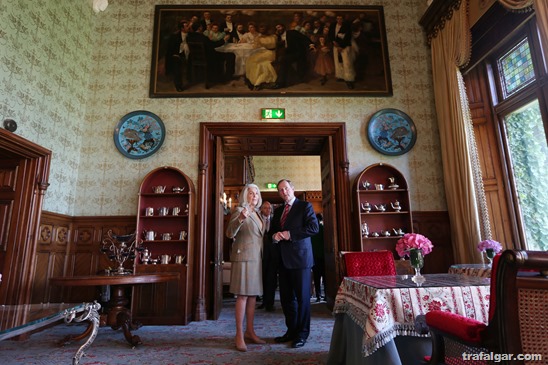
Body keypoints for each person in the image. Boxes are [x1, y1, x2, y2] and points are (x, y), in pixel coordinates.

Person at [271, 179, 319, 348]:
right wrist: (275, 237)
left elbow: (314, 228)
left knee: (303, 299)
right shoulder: (277, 212)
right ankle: (291, 331)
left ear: (292, 189)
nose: (284, 192)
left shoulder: (305, 206)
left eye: (286, 188)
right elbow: (272, 233)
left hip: (301, 260)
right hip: (283, 261)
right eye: (280, 190)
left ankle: (302, 334)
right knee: (286, 299)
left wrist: (289, 234)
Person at [225, 184, 266, 352]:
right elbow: (229, 233)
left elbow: (259, 235)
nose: (254, 195)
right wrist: (241, 217)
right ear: (245, 195)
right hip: (243, 258)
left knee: (252, 297)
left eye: (256, 192)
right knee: (242, 296)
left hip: (256, 259)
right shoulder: (240, 210)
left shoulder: (258, 213)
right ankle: (239, 335)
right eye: (251, 192)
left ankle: (250, 331)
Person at [272, 24, 316, 89]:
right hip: (289, 54)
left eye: (279, 27)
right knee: (283, 59)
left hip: (298, 53)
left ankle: (280, 83)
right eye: (277, 28)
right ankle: (281, 82)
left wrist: (311, 45)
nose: (278, 29)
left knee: (284, 60)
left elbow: (303, 38)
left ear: (283, 27)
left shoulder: (292, 32)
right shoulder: (278, 37)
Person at [258, 201, 278, 311]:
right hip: (261, 254)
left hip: (273, 255)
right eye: (265, 208)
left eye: (269, 208)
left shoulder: (275, 220)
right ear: (261, 209)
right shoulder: (258, 220)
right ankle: (264, 302)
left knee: (271, 280)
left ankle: (270, 303)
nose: (268, 210)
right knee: (262, 279)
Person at [328, 14, 356, 89]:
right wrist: (333, 42)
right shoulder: (333, 25)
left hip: (345, 46)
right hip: (336, 47)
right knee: (338, 62)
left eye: (341, 18)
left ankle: (349, 79)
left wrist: (341, 46)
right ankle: (341, 76)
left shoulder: (347, 26)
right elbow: (330, 35)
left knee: (347, 63)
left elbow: (348, 37)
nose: (339, 20)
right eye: (338, 18)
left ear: (343, 19)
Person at [165, 19, 191, 92]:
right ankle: (178, 85)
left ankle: (190, 79)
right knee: (177, 68)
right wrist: (174, 54)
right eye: (186, 26)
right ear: (182, 28)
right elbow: (171, 48)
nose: (188, 27)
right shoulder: (175, 36)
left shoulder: (191, 35)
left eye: (188, 26)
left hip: (188, 54)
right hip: (177, 54)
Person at [311, 213, 326, 302]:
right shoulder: (323, 229)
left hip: (315, 257)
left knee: (317, 278)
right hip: (324, 256)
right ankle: (326, 295)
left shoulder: (312, 230)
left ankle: (318, 295)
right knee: (325, 277)